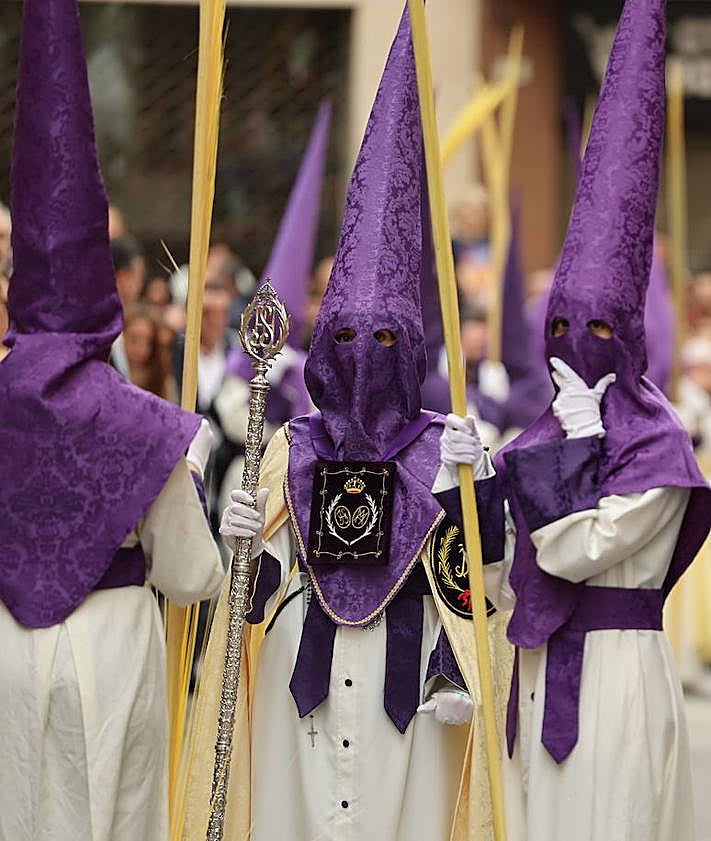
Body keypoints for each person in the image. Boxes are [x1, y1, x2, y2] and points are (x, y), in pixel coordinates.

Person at [185, 10, 512, 841]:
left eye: (387, 340)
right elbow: (249, 598)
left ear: (417, 350)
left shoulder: (444, 446)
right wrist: (241, 538)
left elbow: (484, 590)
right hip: (302, 684)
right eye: (346, 338)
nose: (364, 358)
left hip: (408, 696)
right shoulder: (290, 444)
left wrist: (485, 497)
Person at [444, 1, 711, 838]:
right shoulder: (544, 429)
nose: (573, 345)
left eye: (596, 329)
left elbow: (576, 547)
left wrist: (582, 447)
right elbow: (495, 568)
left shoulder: (658, 442)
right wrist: (474, 481)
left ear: (627, 335)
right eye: (559, 327)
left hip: (615, 676)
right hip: (533, 671)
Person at [0, 3, 225, 839]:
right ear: (106, 290)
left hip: (6, 657)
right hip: (111, 653)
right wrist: (186, 479)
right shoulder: (139, 422)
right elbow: (193, 574)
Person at [213, 101, 330, 512]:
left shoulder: (309, 361)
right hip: (251, 471)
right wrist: (269, 431)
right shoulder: (244, 358)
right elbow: (230, 413)